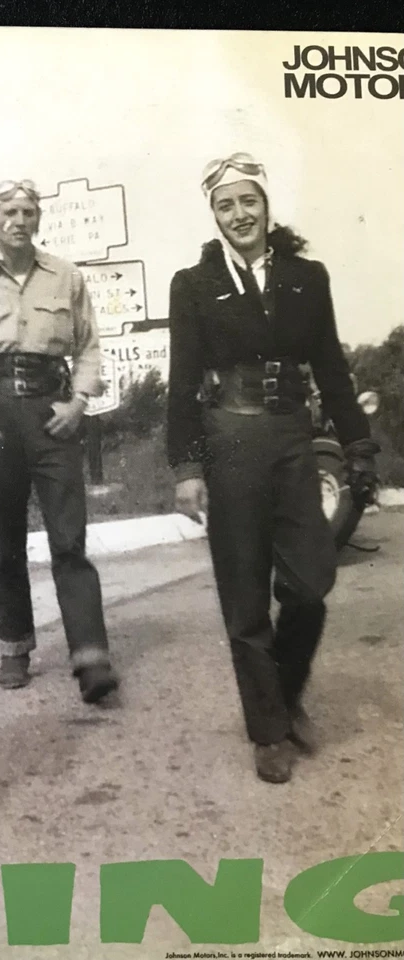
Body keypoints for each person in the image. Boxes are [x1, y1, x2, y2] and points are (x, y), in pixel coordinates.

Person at [167, 152, 379, 783]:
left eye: (249, 200)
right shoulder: (193, 284)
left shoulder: (306, 277)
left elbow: (333, 370)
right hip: (228, 438)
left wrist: (359, 445)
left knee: (311, 584)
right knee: (243, 594)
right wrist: (186, 466)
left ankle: (286, 693)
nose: (240, 214)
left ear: (266, 203)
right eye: (226, 204)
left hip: (292, 437)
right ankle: (268, 729)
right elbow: (181, 385)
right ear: (215, 213)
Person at [0, 179, 119, 702]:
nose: (19, 221)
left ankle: (90, 656)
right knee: (7, 540)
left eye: (28, 211)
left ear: (39, 220)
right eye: (9, 213)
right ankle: (15, 647)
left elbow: (88, 345)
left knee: (69, 539)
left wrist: (78, 402)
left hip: (53, 414)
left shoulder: (65, 278)